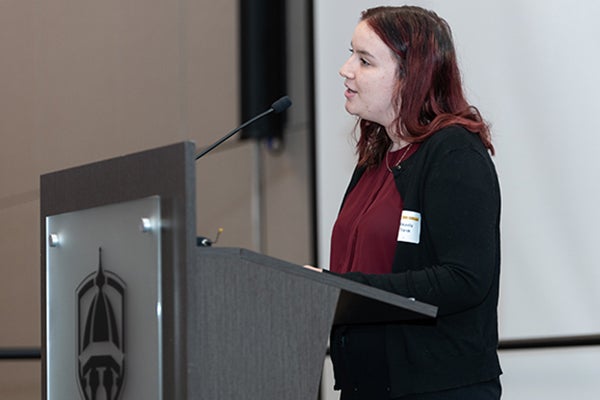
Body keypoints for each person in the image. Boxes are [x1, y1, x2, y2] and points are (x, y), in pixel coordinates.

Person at [324, 5, 502, 400]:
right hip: (366, 385)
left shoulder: (454, 153)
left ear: (410, 76)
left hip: (435, 388)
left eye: (364, 60)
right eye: (351, 53)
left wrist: (339, 289)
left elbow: (465, 279)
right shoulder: (377, 157)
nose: (345, 69)